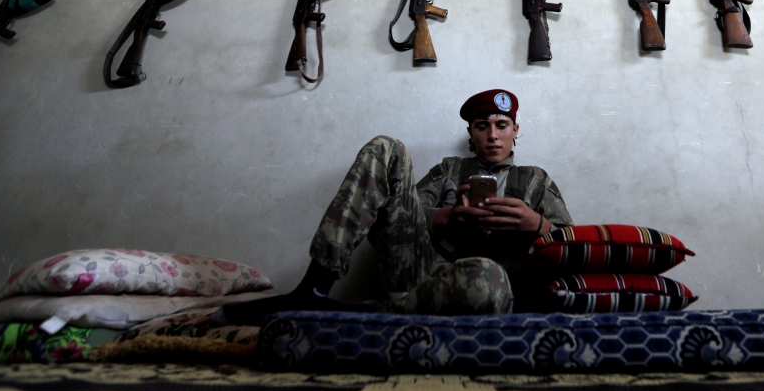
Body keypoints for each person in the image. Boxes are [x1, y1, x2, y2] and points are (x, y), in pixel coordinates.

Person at [213, 89, 573, 326]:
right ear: (472, 133)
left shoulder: (536, 179)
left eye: (501, 125)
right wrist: (446, 217)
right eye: (483, 126)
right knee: (387, 148)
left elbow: (572, 244)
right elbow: (402, 215)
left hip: (492, 286)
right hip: (422, 273)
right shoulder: (450, 169)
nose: (492, 135)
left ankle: (371, 313)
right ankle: (315, 288)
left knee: (487, 280)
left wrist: (537, 223)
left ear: (515, 130)